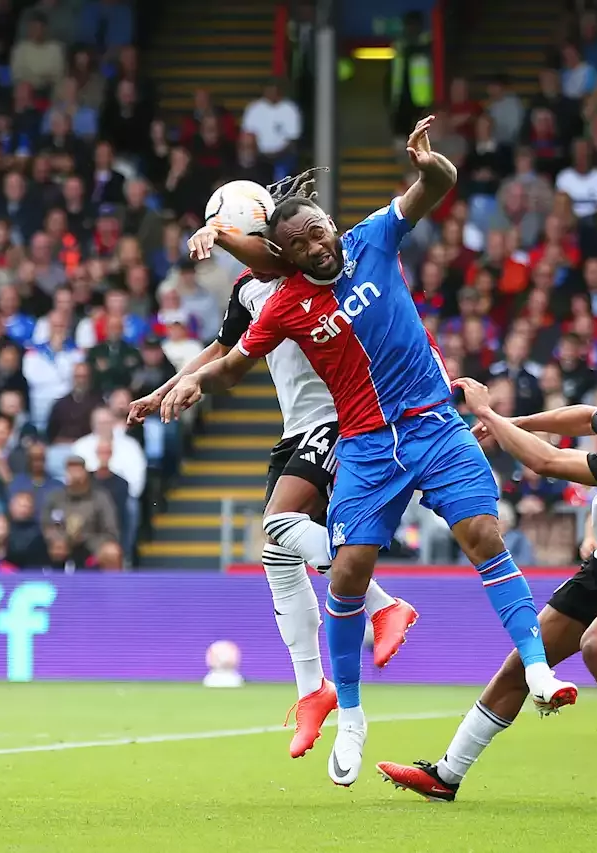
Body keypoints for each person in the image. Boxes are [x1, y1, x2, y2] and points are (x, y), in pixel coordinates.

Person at [163, 118, 568, 787]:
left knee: (483, 534)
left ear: (329, 222)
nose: (319, 244)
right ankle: (349, 715)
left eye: (320, 228)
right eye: (301, 242)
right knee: (346, 571)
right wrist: (190, 384)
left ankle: (539, 668)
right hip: (367, 444)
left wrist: (428, 164)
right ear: (287, 256)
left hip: (434, 423)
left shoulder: (374, 236)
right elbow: (234, 365)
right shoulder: (286, 305)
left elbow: (434, 187)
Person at [129, 173, 410, 760]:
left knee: (279, 526)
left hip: (343, 417)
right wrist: (167, 389)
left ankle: (384, 605)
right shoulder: (248, 291)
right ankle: (314, 691)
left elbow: (263, 257)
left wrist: (218, 232)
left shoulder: (300, 268)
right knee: (277, 554)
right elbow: (223, 351)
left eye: (243, 235)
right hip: (297, 429)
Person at [379, 335, 597, 808]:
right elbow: (580, 416)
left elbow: (547, 461)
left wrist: (490, 415)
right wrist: (514, 422)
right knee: (524, 663)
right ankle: (446, 776)